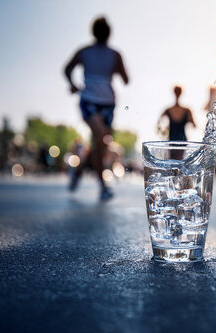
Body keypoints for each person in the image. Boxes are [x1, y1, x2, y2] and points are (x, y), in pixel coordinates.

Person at [64, 17, 129, 200]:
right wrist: (73, 84)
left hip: (108, 104)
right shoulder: (86, 52)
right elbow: (67, 69)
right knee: (100, 138)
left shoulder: (113, 54)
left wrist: (73, 83)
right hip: (90, 101)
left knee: (99, 144)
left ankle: (77, 174)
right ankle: (103, 186)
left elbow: (125, 78)